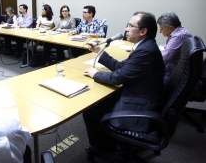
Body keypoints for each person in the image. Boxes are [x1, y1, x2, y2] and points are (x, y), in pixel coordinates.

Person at [83, 11, 165, 152]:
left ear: (143, 31)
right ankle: (107, 142)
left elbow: (117, 78)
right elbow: (122, 67)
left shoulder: (146, 52)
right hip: (139, 94)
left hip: (140, 107)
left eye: (130, 26)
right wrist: (99, 51)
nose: (126, 29)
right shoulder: (145, 47)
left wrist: (96, 74)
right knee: (100, 103)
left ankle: (103, 148)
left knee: (91, 110)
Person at [157, 12, 193, 84]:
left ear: (171, 28)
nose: (160, 31)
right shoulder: (180, 32)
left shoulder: (179, 36)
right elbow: (165, 48)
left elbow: (163, 59)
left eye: (162, 29)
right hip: (173, 72)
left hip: (173, 76)